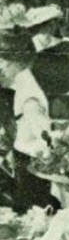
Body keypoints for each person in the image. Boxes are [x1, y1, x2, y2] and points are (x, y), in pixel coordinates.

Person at [0, 27, 52, 209]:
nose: (1, 68)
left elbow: (41, 132)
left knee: (28, 207)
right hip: (19, 157)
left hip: (28, 163)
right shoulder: (18, 81)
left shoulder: (28, 91)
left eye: (3, 63)